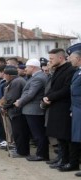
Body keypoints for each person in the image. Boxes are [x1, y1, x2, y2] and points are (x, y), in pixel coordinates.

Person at [42, 48, 76, 171]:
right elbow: (53, 87)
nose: (49, 61)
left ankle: (66, 160)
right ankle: (61, 158)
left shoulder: (70, 70)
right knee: (59, 136)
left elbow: (67, 89)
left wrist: (50, 97)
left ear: (60, 58)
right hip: (55, 106)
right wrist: (46, 97)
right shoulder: (57, 70)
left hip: (64, 107)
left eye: (51, 59)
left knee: (65, 136)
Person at [14, 58, 49, 161]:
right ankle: (41, 154)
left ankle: (41, 155)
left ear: (33, 67)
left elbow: (31, 94)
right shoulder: (36, 76)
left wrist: (19, 102)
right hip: (32, 109)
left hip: (34, 110)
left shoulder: (38, 78)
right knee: (38, 133)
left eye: (27, 67)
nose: (25, 69)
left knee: (38, 134)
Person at [67, 43, 81, 177]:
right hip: (76, 108)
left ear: (79, 59)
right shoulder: (77, 72)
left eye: (71, 57)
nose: (70, 59)